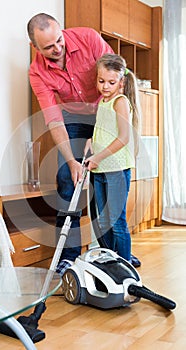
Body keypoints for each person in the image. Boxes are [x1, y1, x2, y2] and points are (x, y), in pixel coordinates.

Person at [27, 13, 140, 274]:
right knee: (68, 179)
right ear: (35, 47)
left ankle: (116, 253)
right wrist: (71, 160)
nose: (57, 49)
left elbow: (116, 74)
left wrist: (108, 126)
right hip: (74, 118)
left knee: (108, 183)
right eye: (48, 47)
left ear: (61, 31)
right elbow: (54, 120)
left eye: (58, 40)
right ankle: (68, 255)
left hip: (105, 110)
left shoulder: (88, 38)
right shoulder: (37, 73)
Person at [84, 53, 142, 266]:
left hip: (116, 169)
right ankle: (110, 263)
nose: (105, 86)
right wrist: (91, 142)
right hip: (100, 170)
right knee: (104, 221)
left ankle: (125, 266)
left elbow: (124, 137)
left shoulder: (120, 101)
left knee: (117, 222)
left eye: (111, 82)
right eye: (101, 81)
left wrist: (98, 156)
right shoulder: (103, 102)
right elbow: (105, 130)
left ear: (121, 82)